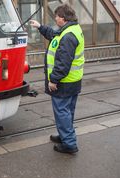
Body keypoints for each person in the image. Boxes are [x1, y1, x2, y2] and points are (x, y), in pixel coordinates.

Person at [30, 4, 84, 154]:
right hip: (72, 81)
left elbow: (62, 63)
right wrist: (40, 27)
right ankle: (65, 136)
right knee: (67, 112)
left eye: (57, 16)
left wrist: (53, 80)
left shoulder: (68, 36)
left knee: (62, 112)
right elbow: (54, 35)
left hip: (64, 82)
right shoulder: (70, 30)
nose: (55, 18)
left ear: (63, 18)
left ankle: (69, 143)